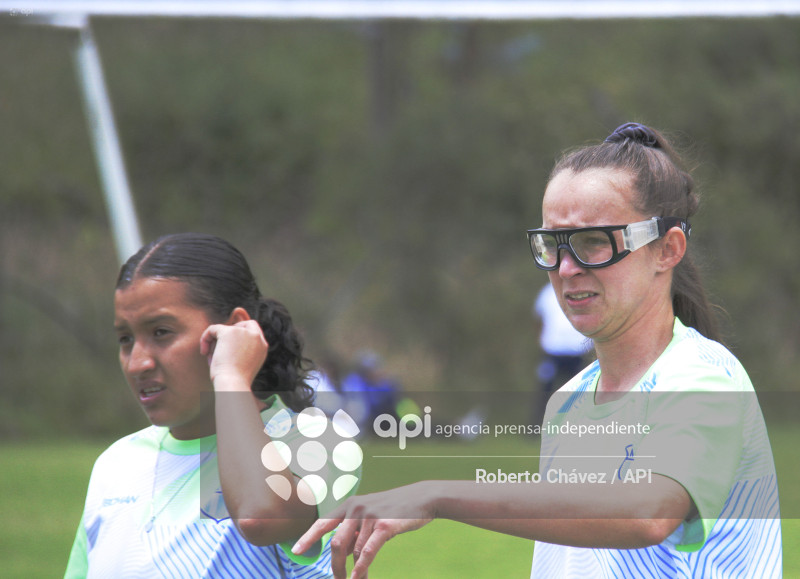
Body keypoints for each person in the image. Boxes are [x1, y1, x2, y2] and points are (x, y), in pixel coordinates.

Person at [291, 123, 782, 578]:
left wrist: (435, 494)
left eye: (593, 243)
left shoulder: (704, 377)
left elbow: (648, 512)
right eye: (552, 244)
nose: (566, 268)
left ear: (667, 250)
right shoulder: (569, 401)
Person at [65, 233, 359, 578]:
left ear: (233, 329)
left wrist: (231, 375)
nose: (137, 363)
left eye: (161, 332)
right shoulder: (117, 462)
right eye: (125, 339)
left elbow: (258, 516)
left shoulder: (318, 441)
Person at [532, 282, 592, 423]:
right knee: (545, 391)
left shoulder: (583, 288)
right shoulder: (547, 291)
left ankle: (577, 425)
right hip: (553, 352)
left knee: (579, 393)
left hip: (576, 352)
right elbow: (538, 316)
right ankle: (536, 426)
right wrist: (542, 340)